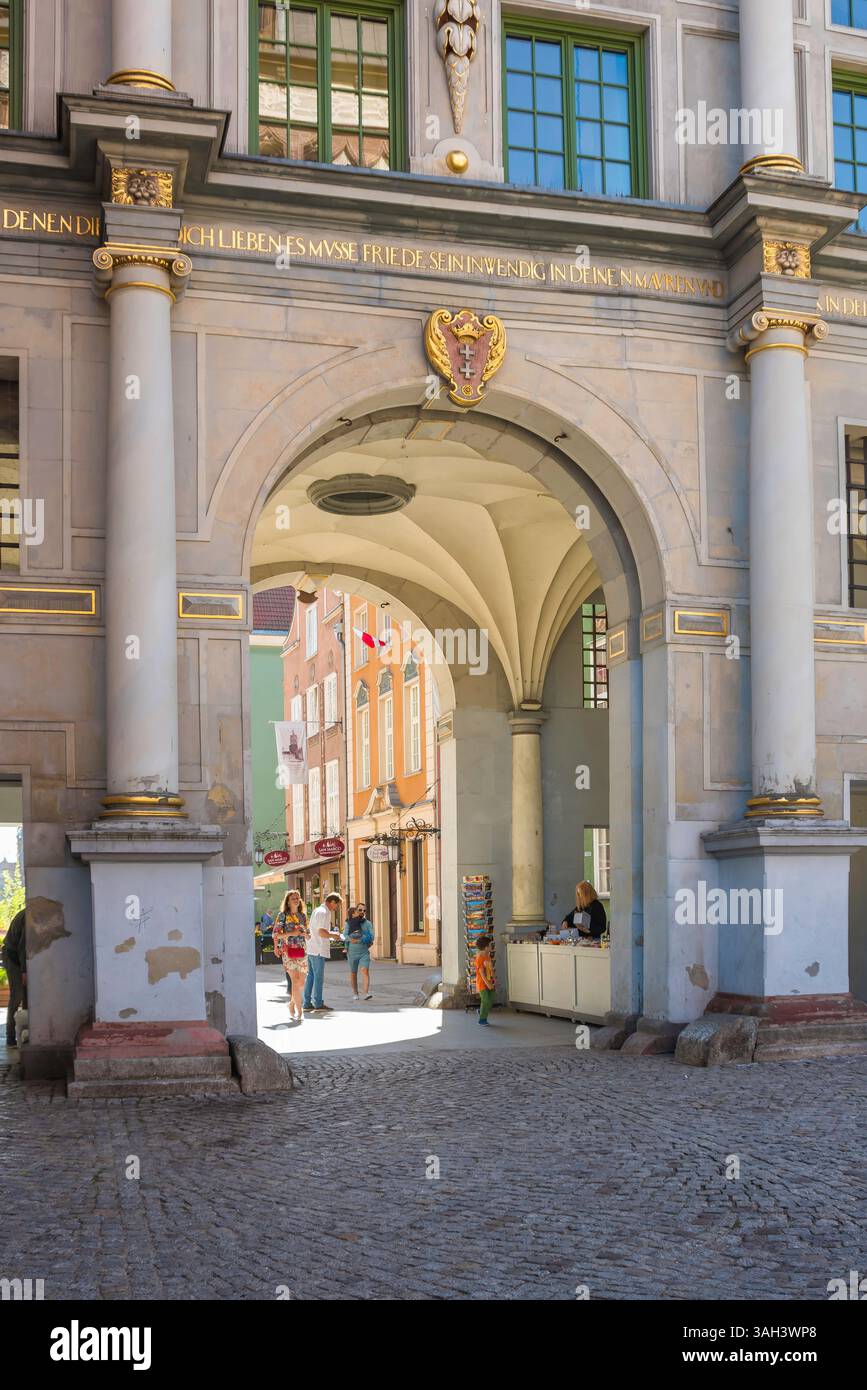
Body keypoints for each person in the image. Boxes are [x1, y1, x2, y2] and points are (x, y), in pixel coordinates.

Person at [303, 892, 343, 1014]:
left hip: (312, 948)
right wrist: (334, 935)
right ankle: (318, 1003)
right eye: (337, 905)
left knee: (311, 976)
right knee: (318, 977)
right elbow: (321, 932)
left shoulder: (317, 910)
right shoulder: (324, 912)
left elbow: (316, 930)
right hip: (318, 949)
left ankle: (307, 1003)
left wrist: (330, 934)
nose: (336, 908)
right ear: (332, 902)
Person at [273, 890, 308, 1019]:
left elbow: (308, 934)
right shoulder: (282, 915)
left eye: (298, 898)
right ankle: (300, 1012)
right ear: (288, 901)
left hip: (301, 950)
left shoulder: (302, 916)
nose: (296, 900)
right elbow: (276, 934)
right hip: (288, 951)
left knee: (302, 983)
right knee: (294, 981)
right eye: (293, 898)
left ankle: (292, 1003)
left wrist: (305, 934)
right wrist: (290, 934)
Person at [2, 906, 26, 1047]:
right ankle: (10, 1037)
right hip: (12, 956)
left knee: (28, 996)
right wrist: (24, 971)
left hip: (17, 956)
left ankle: (27, 1033)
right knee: (17, 996)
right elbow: (23, 947)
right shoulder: (28, 917)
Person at [344, 903, 374, 1002]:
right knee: (353, 973)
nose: (362, 912)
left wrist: (360, 940)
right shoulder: (348, 922)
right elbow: (345, 935)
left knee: (365, 970)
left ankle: (366, 993)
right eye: (360, 910)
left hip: (364, 951)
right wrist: (351, 939)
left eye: (364, 911)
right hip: (352, 952)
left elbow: (372, 936)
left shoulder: (368, 923)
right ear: (356, 911)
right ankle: (355, 993)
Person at [474, 933, 496, 1026]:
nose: (491, 946)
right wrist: (488, 984)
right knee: (486, 1001)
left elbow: (490, 970)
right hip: (482, 984)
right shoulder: (479, 958)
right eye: (490, 945)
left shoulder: (488, 956)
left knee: (490, 1000)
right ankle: (482, 1020)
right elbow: (482, 973)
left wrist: (494, 979)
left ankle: (481, 1010)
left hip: (490, 982)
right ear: (486, 947)